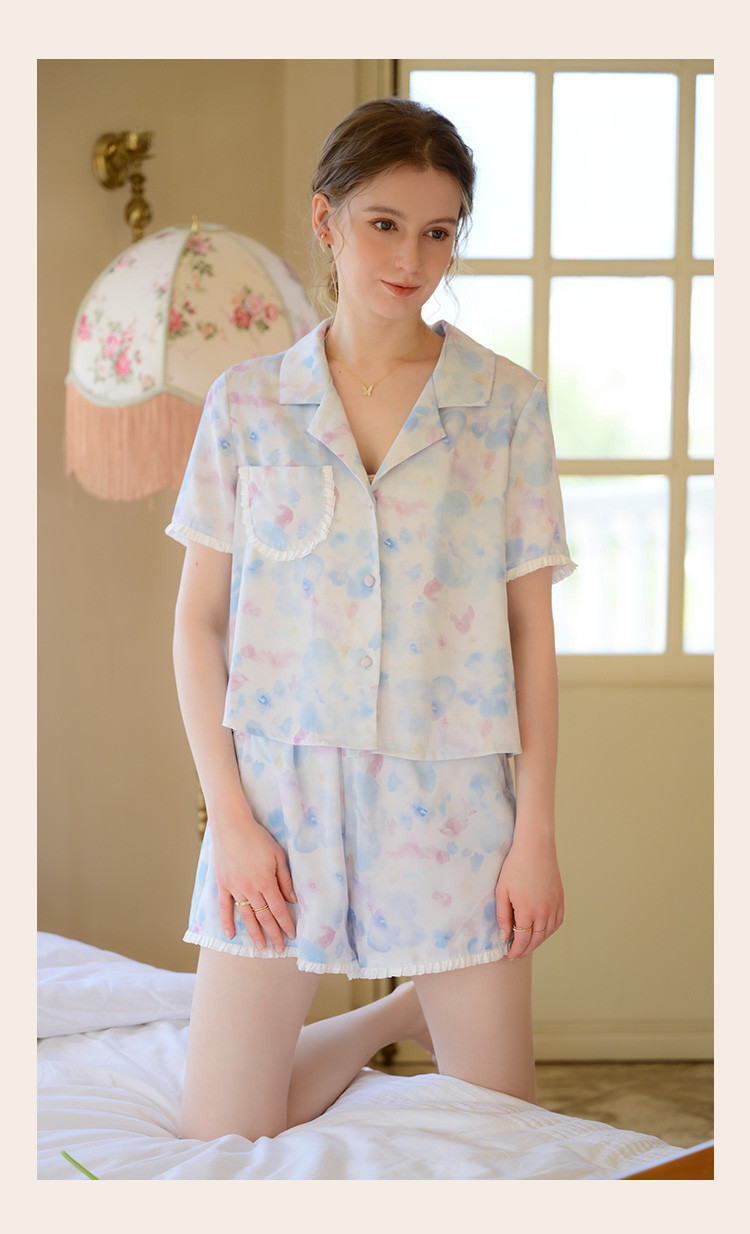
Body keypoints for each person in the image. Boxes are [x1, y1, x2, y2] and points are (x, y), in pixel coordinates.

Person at [166, 97, 576, 1143]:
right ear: (327, 220)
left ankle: (425, 999)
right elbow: (198, 625)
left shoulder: (506, 406)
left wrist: (534, 835)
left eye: (439, 231)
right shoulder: (247, 406)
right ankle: (398, 1013)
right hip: (281, 804)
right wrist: (232, 823)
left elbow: (531, 634)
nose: (412, 258)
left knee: (503, 1138)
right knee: (221, 1136)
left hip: (454, 806)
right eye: (385, 224)